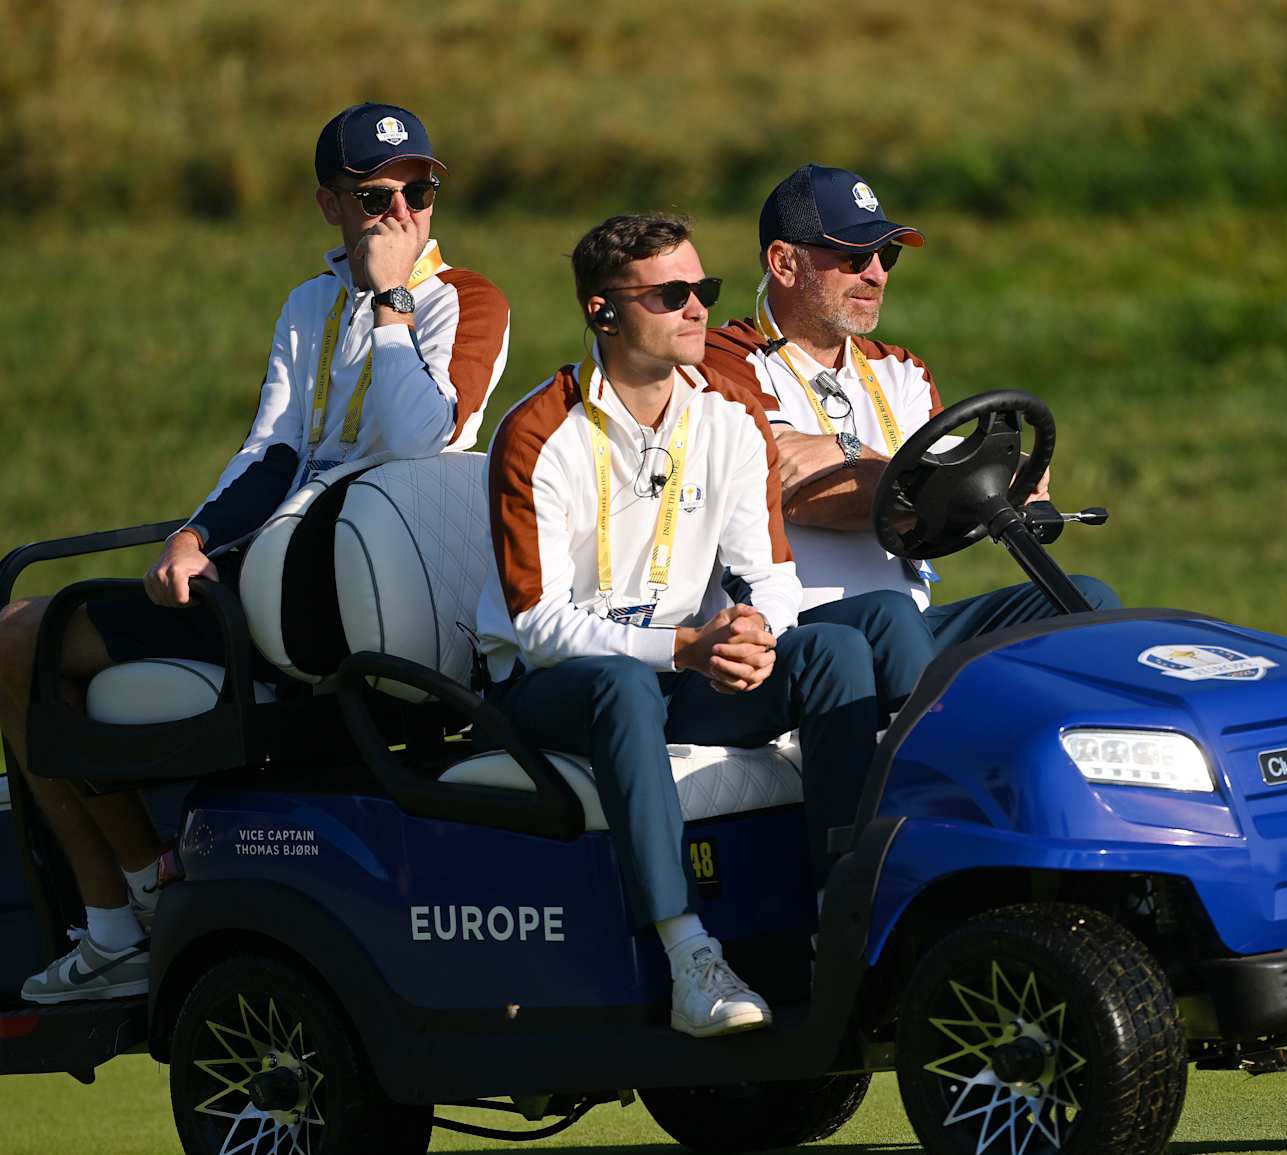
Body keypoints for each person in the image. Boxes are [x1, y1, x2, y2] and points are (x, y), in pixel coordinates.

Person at [0, 103, 512, 1003]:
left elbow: (423, 438)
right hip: (265, 574)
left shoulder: (466, 298)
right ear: (328, 206)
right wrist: (193, 538)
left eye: (417, 191)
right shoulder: (309, 304)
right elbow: (272, 450)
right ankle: (127, 908)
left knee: (29, 640)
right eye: (374, 195)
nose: (400, 213)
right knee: (19, 638)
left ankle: (132, 913)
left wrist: (389, 303)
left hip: (352, 595)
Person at [477, 213, 892, 1038]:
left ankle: (845, 925)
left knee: (833, 650)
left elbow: (771, 575)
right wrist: (687, 648)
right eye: (670, 295)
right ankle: (688, 957)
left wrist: (753, 635)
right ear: (603, 314)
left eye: (703, 290)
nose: (697, 309)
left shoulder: (730, 415)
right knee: (624, 686)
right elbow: (538, 625)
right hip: (550, 689)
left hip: (685, 668)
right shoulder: (536, 433)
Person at [705, 164, 1119, 717]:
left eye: (887, 256)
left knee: (1086, 600)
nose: (877, 274)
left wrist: (1002, 477)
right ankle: (937, 780)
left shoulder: (902, 370)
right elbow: (789, 477)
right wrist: (930, 479)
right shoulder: (726, 359)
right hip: (801, 635)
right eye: (855, 256)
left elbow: (937, 476)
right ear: (783, 262)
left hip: (910, 624)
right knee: (888, 617)